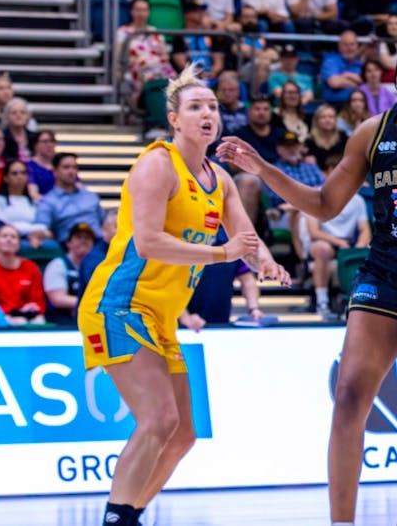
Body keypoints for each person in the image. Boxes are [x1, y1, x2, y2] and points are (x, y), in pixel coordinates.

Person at [78, 65, 290, 526]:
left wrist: (265, 262)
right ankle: (116, 520)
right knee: (157, 419)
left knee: (182, 435)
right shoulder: (157, 163)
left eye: (212, 106)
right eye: (195, 107)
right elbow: (148, 242)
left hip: (160, 315)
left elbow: (246, 243)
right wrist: (222, 254)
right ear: (175, 119)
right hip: (118, 304)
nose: (207, 114)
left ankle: (129, 514)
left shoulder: (221, 179)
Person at [217, 89, 397, 526]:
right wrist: (262, 170)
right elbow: (323, 204)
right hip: (383, 275)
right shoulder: (373, 133)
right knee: (350, 397)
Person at [302, 155, 371, 317]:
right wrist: (337, 242)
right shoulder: (315, 194)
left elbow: (365, 229)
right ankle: (322, 301)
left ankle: (362, 301)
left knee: (370, 249)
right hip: (323, 241)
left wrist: (360, 245)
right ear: (325, 174)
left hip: (348, 243)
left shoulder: (358, 200)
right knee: (322, 249)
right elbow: (314, 232)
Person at [115, 0, 177, 110]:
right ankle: (152, 109)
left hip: (159, 68)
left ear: (148, 12)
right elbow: (119, 58)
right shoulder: (122, 32)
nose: (141, 14)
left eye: (144, 10)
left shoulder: (154, 31)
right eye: (137, 10)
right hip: (135, 69)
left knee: (173, 78)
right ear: (131, 11)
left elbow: (165, 55)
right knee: (150, 75)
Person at [36, 152, 104, 245]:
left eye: (74, 167)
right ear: (55, 171)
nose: (71, 171)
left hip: (99, 244)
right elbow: (41, 228)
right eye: (66, 167)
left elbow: (104, 222)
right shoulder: (47, 201)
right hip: (68, 248)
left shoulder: (91, 196)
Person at [44, 222, 96, 325]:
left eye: (87, 238)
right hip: (61, 321)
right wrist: (90, 304)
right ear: (68, 243)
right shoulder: (58, 265)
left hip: (89, 316)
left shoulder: (98, 266)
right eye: (79, 237)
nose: (83, 241)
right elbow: (57, 299)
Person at [0, 224, 46, 325]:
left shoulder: (30, 267)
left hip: (26, 314)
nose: (9, 239)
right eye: (4, 236)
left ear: (19, 244)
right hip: (1, 316)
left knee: (39, 321)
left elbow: (38, 299)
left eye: (13, 237)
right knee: (18, 322)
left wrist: (32, 306)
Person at [0, 160, 49, 244]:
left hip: (34, 241)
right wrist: (30, 231)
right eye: (15, 173)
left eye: (23, 173)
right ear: (6, 178)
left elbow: (43, 227)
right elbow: (2, 227)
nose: (19, 176)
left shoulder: (35, 202)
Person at [78, 208, 118, 299]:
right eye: (117, 227)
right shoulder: (93, 260)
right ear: (104, 230)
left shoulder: (128, 253)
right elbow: (103, 292)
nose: (123, 231)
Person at [320, 29, 364, 105]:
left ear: (357, 46)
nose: (349, 48)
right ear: (339, 46)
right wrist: (357, 83)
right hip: (335, 105)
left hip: (358, 106)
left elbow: (366, 83)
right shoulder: (331, 61)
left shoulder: (360, 63)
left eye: (352, 44)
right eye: (345, 45)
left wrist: (347, 75)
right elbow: (334, 83)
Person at [304, 105, 348, 171]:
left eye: (331, 117)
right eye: (323, 117)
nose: (328, 120)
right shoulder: (309, 141)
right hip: (318, 177)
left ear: (335, 120)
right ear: (316, 121)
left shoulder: (343, 137)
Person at [1, 97, 37, 161]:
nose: (18, 115)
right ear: (7, 117)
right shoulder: (1, 138)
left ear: (28, 116)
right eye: (14, 113)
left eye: (22, 112)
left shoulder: (35, 137)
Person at [27, 129, 56, 201]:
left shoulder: (61, 165)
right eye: (45, 142)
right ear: (35, 145)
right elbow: (33, 194)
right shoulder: (29, 166)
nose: (49, 145)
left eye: (52, 141)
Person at [378, 13, 397, 81]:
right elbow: (388, 65)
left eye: (396, 24)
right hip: (390, 79)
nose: (393, 27)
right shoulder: (383, 43)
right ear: (386, 26)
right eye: (390, 24)